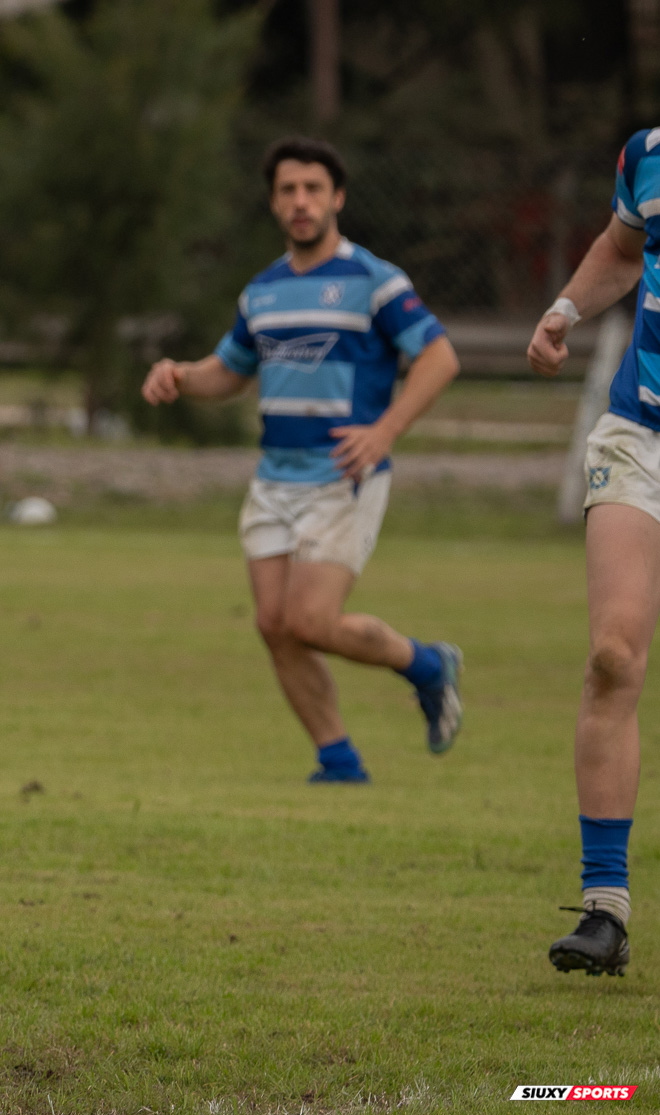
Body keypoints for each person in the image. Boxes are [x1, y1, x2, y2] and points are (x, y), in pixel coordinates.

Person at [141, 137, 464, 785]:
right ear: (273, 203)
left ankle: (428, 666)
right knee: (274, 625)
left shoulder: (373, 281)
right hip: (274, 478)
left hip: (343, 475)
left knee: (311, 620)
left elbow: (439, 358)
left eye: (313, 188)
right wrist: (179, 375)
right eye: (288, 190)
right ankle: (338, 760)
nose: (301, 201)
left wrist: (385, 430)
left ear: (337, 197)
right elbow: (229, 373)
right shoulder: (262, 291)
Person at [525, 124, 660, 977]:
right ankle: (605, 912)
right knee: (614, 657)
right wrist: (565, 308)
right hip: (646, 438)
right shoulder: (651, 153)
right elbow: (623, 248)